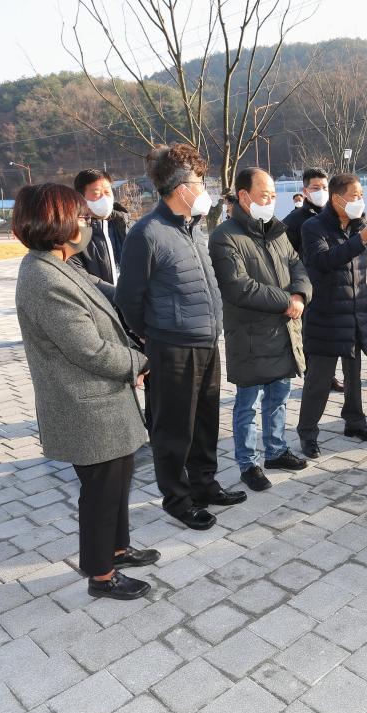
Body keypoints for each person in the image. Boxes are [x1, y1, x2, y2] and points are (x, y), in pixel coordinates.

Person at [13, 183, 158, 601]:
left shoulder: (61, 264)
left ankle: (118, 548)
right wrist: (141, 362)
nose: (86, 225)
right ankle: (101, 575)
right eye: (80, 218)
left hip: (103, 399)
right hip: (86, 403)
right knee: (101, 490)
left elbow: (104, 292)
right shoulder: (43, 278)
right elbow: (88, 349)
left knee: (119, 478)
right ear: (55, 222)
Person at [116, 143, 245, 533]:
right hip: (171, 348)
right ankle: (178, 498)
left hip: (207, 343)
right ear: (179, 187)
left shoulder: (195, 228)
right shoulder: (147, 233)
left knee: (205, 421)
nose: (203, 187)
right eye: (198, 181)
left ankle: (204, 484)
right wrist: (153, 337)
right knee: (173, 429)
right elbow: (128, 299)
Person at [210, 167, 313, 488]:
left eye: (272, 195)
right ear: (243, 196)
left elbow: (298, 265)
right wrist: (286, 300)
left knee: (280, 395)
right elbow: (237, 286)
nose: (270, 201)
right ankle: (248, 463)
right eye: (264, 195)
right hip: (251, 336)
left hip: (283, 331)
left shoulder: (277, 231)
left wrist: (299, 294)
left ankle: (276, 449)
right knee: (248, 404)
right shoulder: (225, 236)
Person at [296, 173, 367, 457]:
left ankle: (355, 423)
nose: (360, 200)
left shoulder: (358, 226)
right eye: (355, 195)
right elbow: (323, 261)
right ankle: (308, 434)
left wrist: (361, 237)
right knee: (319, 381)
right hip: (325, 316)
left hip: (355, 313)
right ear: (337, 199)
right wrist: (361, 240)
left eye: (361, 195)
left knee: (354, 376)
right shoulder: (314, 227)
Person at [284, 168, 344, 393]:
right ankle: (314, 377)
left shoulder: (336, 215)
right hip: (308, 288)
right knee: (311, 337)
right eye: (315, 188)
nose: (321, 192)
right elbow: (286, 256)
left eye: (324, 188)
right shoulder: (294, 220)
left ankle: (330, 375)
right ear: (305, 191)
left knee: (332, 334)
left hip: (334, 286)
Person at [68, 169, 130, 287]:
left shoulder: (127, 225)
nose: (104, 199)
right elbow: (80, 277)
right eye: (96, 194)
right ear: (81, 198)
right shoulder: (75, 235)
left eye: (107, 192)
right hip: (100, 302)